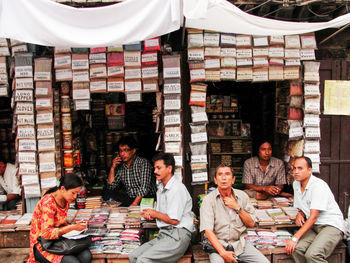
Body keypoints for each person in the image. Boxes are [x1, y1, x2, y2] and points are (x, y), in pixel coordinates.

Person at [129, 152, 194, 263]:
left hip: (178, 235)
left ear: (169, 168)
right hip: (165, 234)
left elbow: (174, 220)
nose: (155, 171)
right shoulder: (161, 188)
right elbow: (164, 215)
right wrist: (151, 216)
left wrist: (154, 213)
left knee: (143, 260)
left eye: (159, 168)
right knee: (134, 256)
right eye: (155, 168)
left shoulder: (176, 189)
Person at [200, 164, 269, 263]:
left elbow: (251, 223)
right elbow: (208, 232)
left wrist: (237, 208)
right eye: (220, 174)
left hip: (240, 244)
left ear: (233, 180)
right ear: (215, 180)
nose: (223, 178)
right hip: (218, 247)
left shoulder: (243, 196)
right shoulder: (208, 200)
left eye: (227, 174)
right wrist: (223, 253)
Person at [285, 156, 344, 262]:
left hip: (331, 226)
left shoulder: (318, 186)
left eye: (300, 168)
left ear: (309, 170)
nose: (296, 172)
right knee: (296, 249)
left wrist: (294, 238)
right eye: (294, 168)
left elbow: (313, 216)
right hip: (314, 226)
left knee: (313, 255)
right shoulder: (296, 184)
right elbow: (302, 206)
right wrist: (301, 213)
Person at [28, 174, 92, 263]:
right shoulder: (48, 203)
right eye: (73, 193)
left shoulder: (66, 200)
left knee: (86, 255)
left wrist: (75, 226)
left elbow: (60, 221)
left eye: (77, 193)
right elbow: (46, 233)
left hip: (58, 240)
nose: (75, 197)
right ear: (62, 189)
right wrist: (72, 227)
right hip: (43, 244)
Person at [104, 136, 156, 207]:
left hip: (146, 198)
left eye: (126, 150)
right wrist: (113, 167)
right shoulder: (122, 166)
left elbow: (144, 188)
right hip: (130, 198)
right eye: (120, 151)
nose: (122, 154)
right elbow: (111, 186)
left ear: (133, 151)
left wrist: (134, 204)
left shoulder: (143, 163)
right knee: (107, 193)